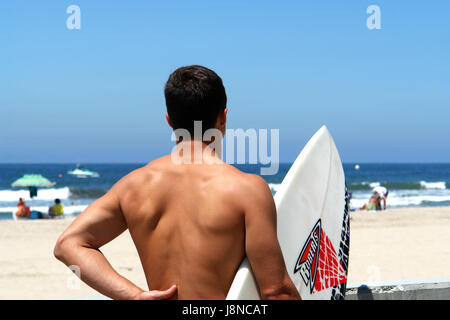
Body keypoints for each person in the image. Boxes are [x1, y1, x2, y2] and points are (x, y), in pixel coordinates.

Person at [54, 65, 300, 300]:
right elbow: (276, 292)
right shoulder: (247, 190)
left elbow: (68, 244)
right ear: (223, 117)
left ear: (169, 120)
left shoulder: (133, 186)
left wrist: (133, 295)